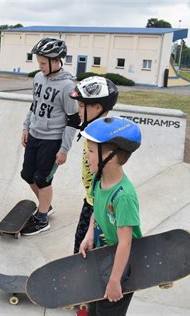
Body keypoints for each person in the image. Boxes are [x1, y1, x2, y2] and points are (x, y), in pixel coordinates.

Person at [79, 116, 142, 316]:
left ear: (112, 157)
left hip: (123, 268)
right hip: (103, 257)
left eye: (90, 152)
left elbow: (125, 243)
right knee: (94, 307)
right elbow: (96, 211)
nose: (87, 157)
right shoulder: (99, 181)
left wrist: (115, 281)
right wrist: (90, 234)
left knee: (108, 311)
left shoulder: (123, 197)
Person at [20, 37, 78, 236]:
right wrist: (26, 127)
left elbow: (73, 120)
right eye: (39, 63)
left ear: (57, 61)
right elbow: (34, 105)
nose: (40, 66)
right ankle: (47, 205)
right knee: (27, 174)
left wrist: (64, 149)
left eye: (43, 63)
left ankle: (42, 218)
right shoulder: (38, 78)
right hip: (35, 134)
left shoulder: (68, 86)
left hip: (53, 140)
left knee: (42, 178)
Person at [69, 76, 119, 253]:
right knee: (80, 248)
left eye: (82, 106)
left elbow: (109, 177)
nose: (78, 110)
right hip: (90, 201)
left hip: (102, 206)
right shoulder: (91, 129)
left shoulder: (104, 138)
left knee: (93, 251)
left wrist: (98, 216)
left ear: (97, 108)